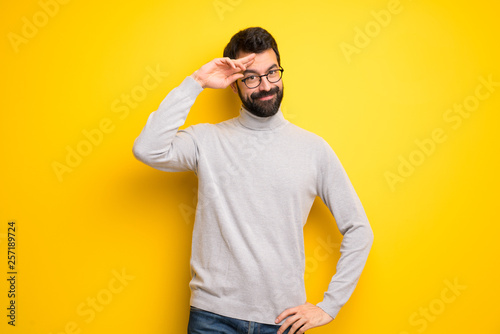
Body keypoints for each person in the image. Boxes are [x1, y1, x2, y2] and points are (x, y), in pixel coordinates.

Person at [133, 27, 373, 334]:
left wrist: (329, 306)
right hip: (212, 317)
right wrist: (195, 83)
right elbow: (147, 148)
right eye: (251, 77)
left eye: (272, 72)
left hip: (282, 322)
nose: (265, 85)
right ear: (234, 85)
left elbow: (359, 229)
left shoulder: (313, 149)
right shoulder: (207, 140)